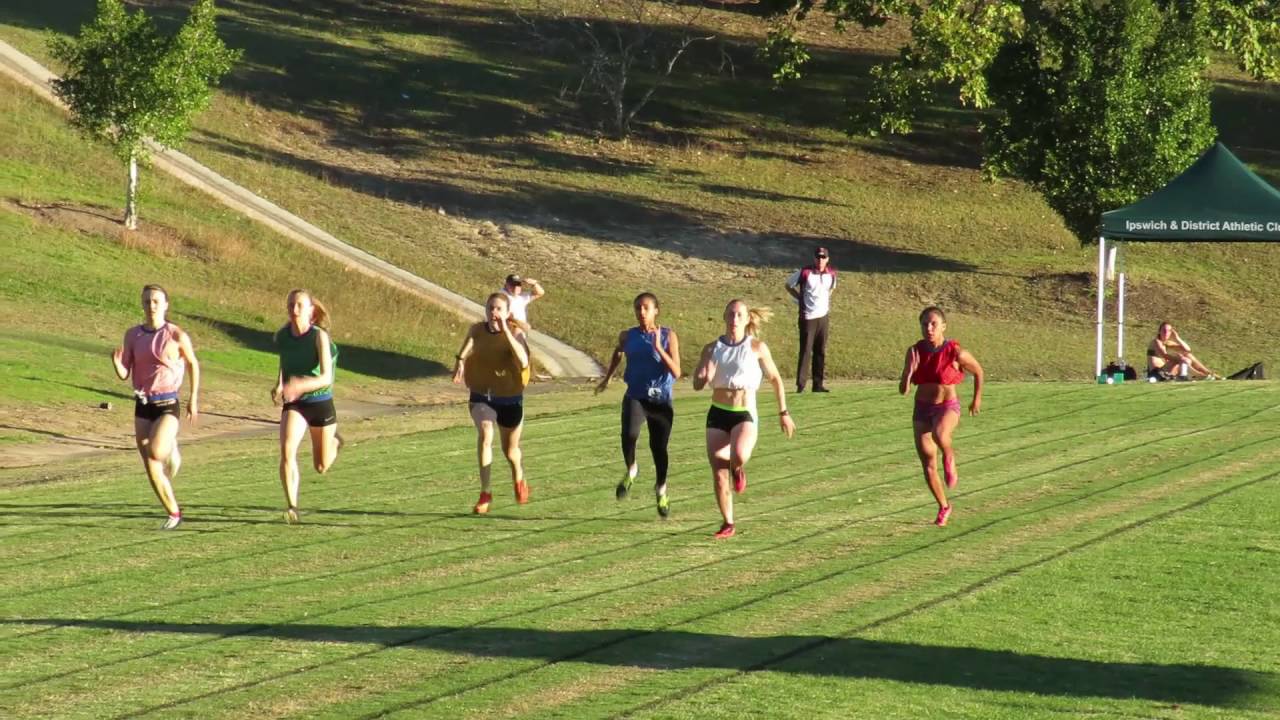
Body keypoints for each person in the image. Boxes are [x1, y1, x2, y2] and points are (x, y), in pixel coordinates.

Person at [693, 300, 796, 539]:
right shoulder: (711, 348)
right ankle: (728, 523)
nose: (734, 319)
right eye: (730, 314)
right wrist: (703, 375)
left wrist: (784, 413)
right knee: (718, 472)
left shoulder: (756, 347)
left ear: (747, 318)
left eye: (739, 315)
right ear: (724, 316)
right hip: (718, 412)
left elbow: (776, 380)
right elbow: (698, 384)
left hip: (744, 412)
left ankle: (737, 469)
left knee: (737, 455)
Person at [110, 284, 201, 530]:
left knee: (156, 452)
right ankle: (173, 512)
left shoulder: (176, 335)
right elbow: (124, 372)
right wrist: (116, 364)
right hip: (142, 404)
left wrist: (193, 398)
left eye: (156, 301)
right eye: (147, 301)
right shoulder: (132, 335)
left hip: (167, 403)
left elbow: (193, 364)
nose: (151, 306)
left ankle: (170, 446)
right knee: (150, 464)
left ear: (165, 305)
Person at [595, 293, 682, 518]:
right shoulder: (628, 335)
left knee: (658, 448)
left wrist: (659, 348)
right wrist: (607, 378)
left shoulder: (668, 335)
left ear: (656, 311)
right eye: (637, 308)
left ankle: (661, 489)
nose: (641, 312)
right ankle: (632, 469)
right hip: (635, 395)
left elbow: (677, 372)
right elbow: (618, 352)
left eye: (645, 308)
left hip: (660, 400)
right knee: (629, 435)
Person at [898, 306, 983, 527]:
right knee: (927, 464)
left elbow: (978, 371)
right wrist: (908, 373)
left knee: (939, 434)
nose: (929, 328)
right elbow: (903, 390)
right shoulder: (915, 351)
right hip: (922, 408)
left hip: (947, 406)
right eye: (925, 323)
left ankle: (949, 456)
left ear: (943, 326)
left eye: (933, 323)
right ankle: (944, 506)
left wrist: (976, 399)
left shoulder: (955, 352)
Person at [454, 293, 532, 514]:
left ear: (507, 313)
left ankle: (518, 478)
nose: (493, 313)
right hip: (481, 394)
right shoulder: (477, 330)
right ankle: (485, 493)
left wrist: (507, 332)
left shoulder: (516, 333)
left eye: (498, 309)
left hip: (509, 397)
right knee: (486, 433)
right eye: (490, 308)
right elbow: (469, 343)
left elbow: (523, 361)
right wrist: (460, 361)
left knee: (511, 451)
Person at [271, 289, 341, 525]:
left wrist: (300, 384)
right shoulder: (282, 336)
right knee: (287, 451)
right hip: (295, 404)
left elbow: (326, 377)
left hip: (320, 401)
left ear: (311, 310)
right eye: (291, 305)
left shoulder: (318, 336)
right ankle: (292, 506)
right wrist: (280, 384)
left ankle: (336, 442)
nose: (294, 310)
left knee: (321, 466)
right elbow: (285, 361)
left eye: (300, 305)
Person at [785, 246, 837, 393]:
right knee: (806, 350)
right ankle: (801, 385)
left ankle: (818, 384)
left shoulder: (831, 274)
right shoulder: (805, 272)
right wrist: (799, 298)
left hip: (823, 316)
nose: (820, 260)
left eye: (823, 257)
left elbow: (832, 288)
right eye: (818, 257)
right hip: (808, 316)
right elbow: (788, 285)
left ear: (827, 259)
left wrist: (825, 302)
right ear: (814, 258)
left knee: (820, 350)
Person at [1147, 322, 1220, 380]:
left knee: (1187, 355)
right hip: (1156, 373)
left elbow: (1187, 350)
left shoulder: (1167, 343)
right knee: (1180, 357)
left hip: (1167, 372)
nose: (1166, 333)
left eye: (1169, 331)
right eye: (1164, 330)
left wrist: (1177, 338)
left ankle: (1207, 373)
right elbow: (1164, 355)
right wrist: (1180, 359)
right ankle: (1199, 375)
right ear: (1159, 331)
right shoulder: (1156, 342)